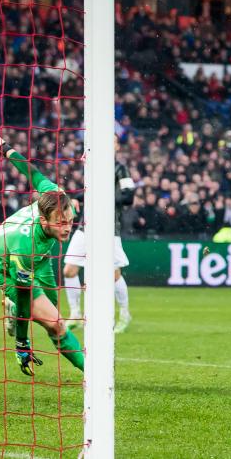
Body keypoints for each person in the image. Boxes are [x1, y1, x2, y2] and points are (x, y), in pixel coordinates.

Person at [0, 125, 84, 375]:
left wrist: (4, 147)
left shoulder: (56, 196)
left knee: (53, 307)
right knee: (55, 324)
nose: (67, 228)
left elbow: (32, 172)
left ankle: (17, 310)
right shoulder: (27, 247)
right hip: (5, 262)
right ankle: (96, 375)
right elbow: (25, 293)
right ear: (44, 221)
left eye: (69, 221)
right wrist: (22, 343)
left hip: (40, 256)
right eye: (61, 222)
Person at [63, 135, 136, 333]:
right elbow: (88, 192)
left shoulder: (120, 169)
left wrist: (102, 196)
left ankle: (124, 313)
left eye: (112, 140)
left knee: (113, 274)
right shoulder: (92, 167)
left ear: (117, 146)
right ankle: (76, 313)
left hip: (108, 227)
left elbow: (129, 197)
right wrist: (77, 198)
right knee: (69, 270)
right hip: (85, 226)